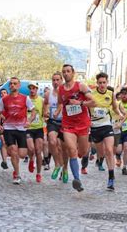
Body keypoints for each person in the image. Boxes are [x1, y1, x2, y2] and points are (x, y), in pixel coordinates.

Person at [54, 64, 96, 192]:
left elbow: (94, 102)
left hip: (83, 124)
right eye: (64, 72)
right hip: (68, 124)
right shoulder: (60, 90)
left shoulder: (81, 86)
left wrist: (80, 103)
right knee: (71, 150)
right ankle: (77, 180)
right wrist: (57, 112)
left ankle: (80, 158)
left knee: (82, 152)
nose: (66, 73)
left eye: (68, 71)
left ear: (73, 73)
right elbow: (60, 103)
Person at [0, 77, 36, 184]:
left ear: (18, 86)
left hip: (21, 129)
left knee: (22, 154)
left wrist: (29, 121)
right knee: (13, 151)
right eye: (11, 84)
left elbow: (33, 111)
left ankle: (25, 161)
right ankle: (17, 174)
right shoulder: (4, 99)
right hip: (8, 129)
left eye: (14, 84)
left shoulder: (25, 98)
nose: (12, 85)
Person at [89, 73, 123, 190]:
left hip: (107, 125)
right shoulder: (91, 94)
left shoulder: (111, 94)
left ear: (107, 83)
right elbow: (86, 108)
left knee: (109, 150)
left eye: (104, 82)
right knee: (101, 153)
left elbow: (114, 107)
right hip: (95, 127)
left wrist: (120, 114)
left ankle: (111, 177)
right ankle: (99, 159)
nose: (102, 85)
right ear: (97, 83)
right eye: (100, 83)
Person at [43, 72, 69, 183]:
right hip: (53, 122)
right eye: (53, 80)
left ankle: (65, 168)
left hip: (65, 122)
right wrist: (46, 112)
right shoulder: (48, 94)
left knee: (63, 148)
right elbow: (45, 104)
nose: (55, 82)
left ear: (62, 80)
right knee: (52, 142)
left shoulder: (66, 93)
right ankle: (57, 164)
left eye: (58, 80)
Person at [26, 82, 45, 183]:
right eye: (30, 88)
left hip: (39, 128)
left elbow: (45, 113)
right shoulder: (26, 99)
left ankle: (38, 173)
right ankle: (31, 159)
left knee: (38, 151)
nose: (32, 90)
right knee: (31, 148)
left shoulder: (41, 100)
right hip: (28, 128)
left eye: (34, 88)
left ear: (37, 89)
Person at [0, 88, 10, 169]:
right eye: (1, 93)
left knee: (10, 144)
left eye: (4, 92)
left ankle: (9, 155)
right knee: (3, 142)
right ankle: (4, 161)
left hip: (11, 126)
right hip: (2, 126)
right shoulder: (0, 104)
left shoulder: (11, 103)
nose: (3, 94)